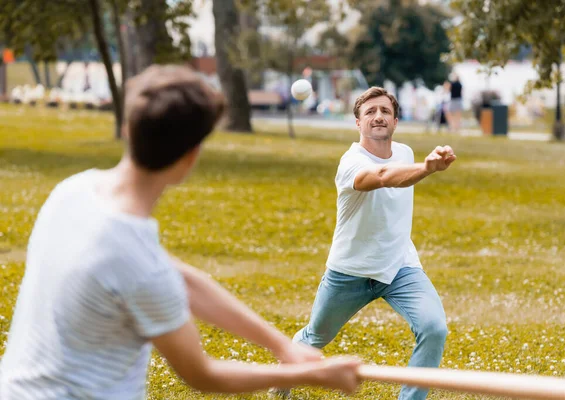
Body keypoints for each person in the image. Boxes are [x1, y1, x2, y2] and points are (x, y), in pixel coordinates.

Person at [0, 65, 362, 399]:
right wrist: (308, 375)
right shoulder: (139, 266)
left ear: (129, 129)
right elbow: (203, 374)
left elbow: (179, 279)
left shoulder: (74, 192)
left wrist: (282, 346)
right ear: (190, 158)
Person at [276, 87, 456, 400]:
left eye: (385, 111)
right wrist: (427, 169)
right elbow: (383, 175)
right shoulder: (350, 163)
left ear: (396, 121)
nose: (378, 117)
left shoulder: (405, 153)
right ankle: (283, 376)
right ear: (357, 123)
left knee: (434, 328)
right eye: (370, 112)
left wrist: (421, 166)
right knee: (316, 336)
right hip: (350, 271)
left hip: (400, 266)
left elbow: (396, 170)